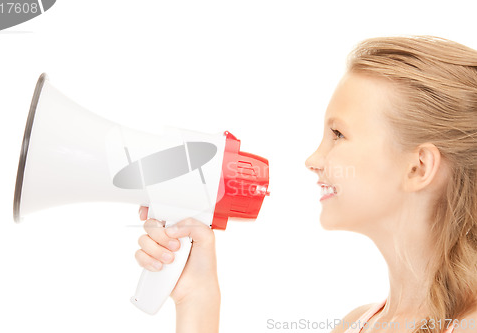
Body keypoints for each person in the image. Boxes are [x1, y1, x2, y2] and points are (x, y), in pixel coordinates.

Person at [135, 35, 477, 333]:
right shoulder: (356, 324)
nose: (312, 159)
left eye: (338, 134)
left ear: (418, 168)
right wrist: (198, 298)